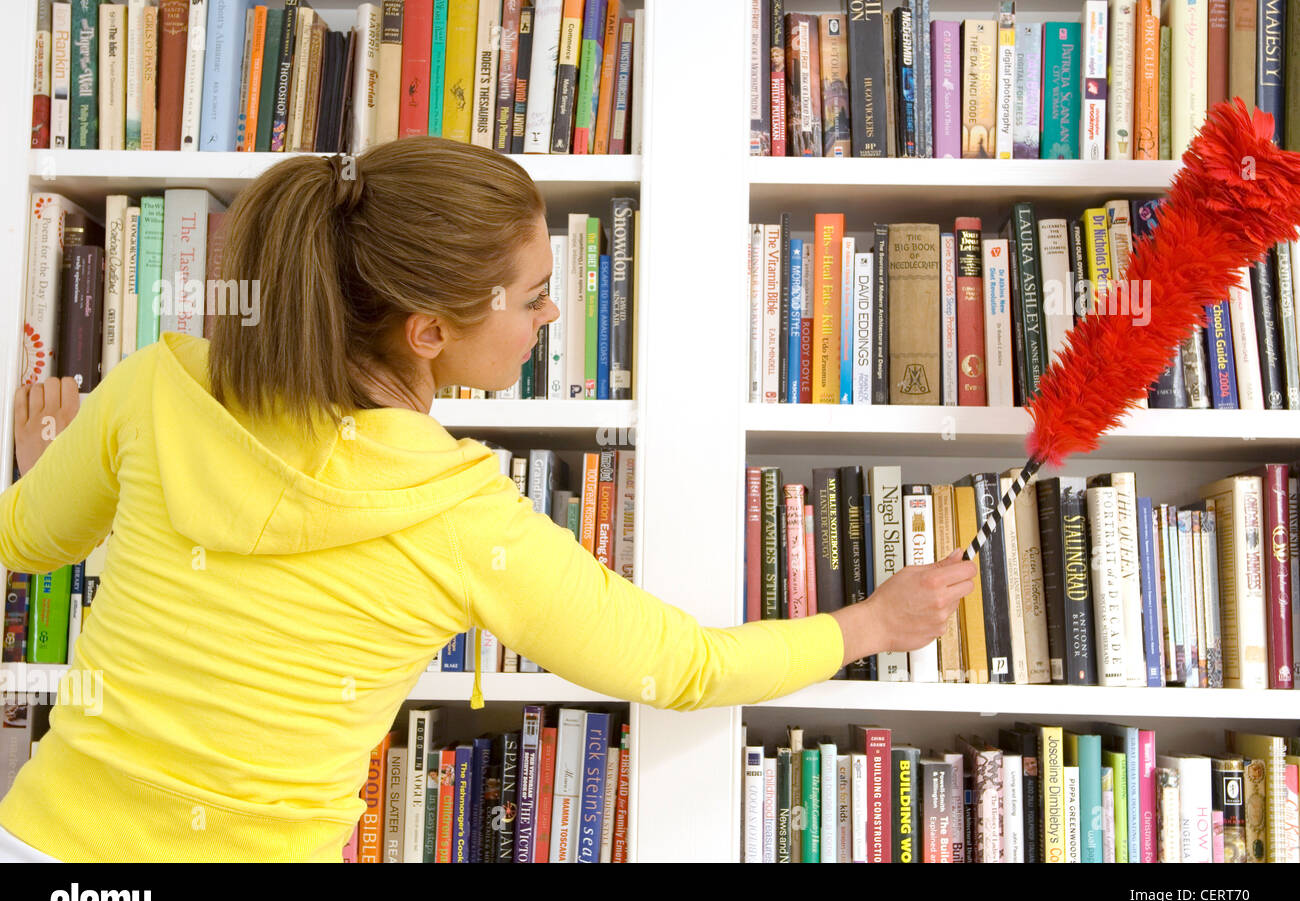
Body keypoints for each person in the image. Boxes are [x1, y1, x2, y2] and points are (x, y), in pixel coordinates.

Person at [0, 137, 975, 862]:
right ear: (427, 331)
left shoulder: (153, 387)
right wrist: (868, 620)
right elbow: (683, 664)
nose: (551, 317)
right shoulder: (462, 518)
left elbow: (28, 540)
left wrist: (47, 456)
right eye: (534, 294)